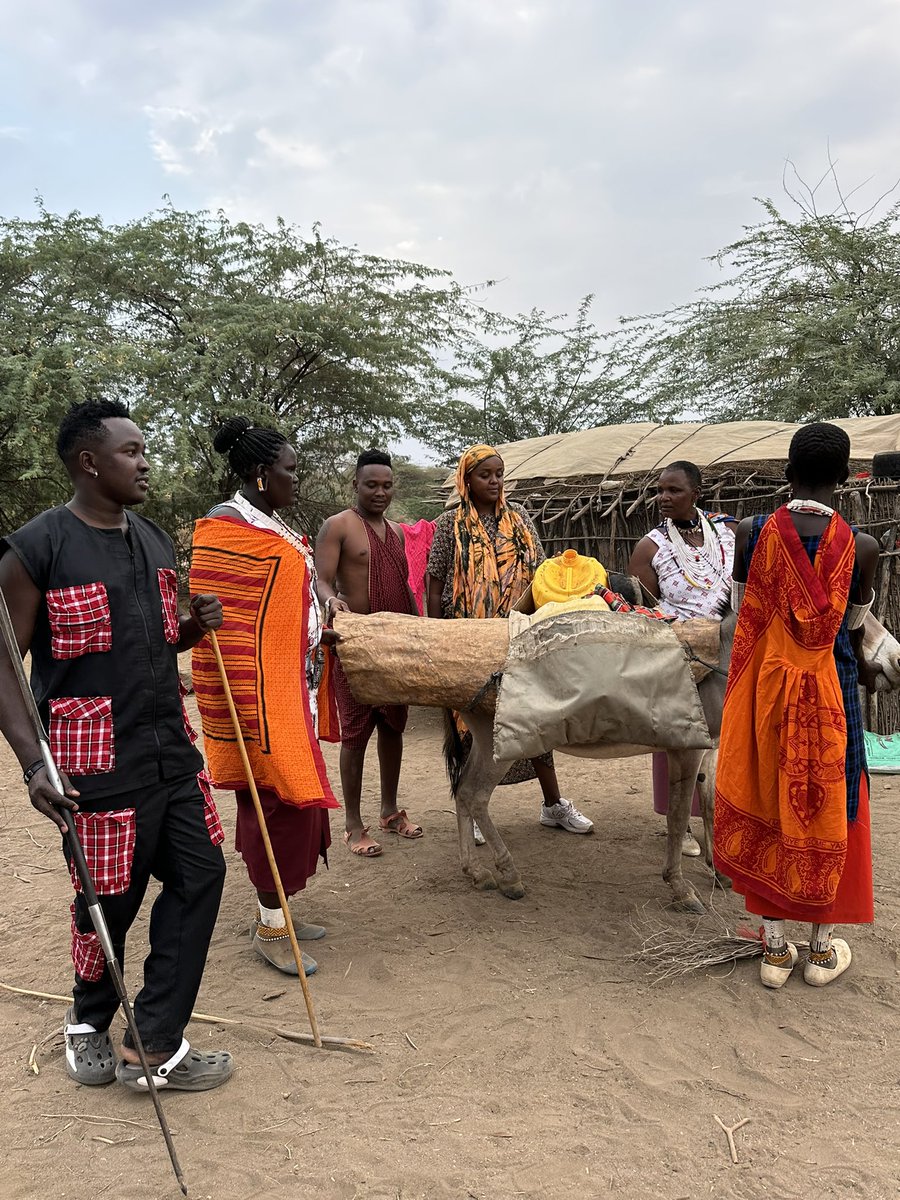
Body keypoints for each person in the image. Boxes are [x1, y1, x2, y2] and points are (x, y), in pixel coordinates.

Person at [0, 399, 233, 1092]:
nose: (145, 462)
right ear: (88, 462)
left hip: (171, 753)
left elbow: (156, 642)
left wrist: (193, 628)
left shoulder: (154, 539)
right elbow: (5, 668)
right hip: (91, 764)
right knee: (109, 902)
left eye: (144, 450)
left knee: (202, 875)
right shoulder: (34, 549)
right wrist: (33, 765)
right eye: (131, 451)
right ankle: (87, 1020)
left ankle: (151, 1041)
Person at [713, 423, 879, 989]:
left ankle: (775, 951)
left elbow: (743, 615)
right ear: (845, 477)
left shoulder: (751, 532)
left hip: (764, 691)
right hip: (833, 693)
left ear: (787, 471)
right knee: (833, 802)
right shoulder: (862, 547)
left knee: (767, 795)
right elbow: (851, 631)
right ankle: (822, 951)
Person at [197, 416, 340, 977]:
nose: (295, 480)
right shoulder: (224, 528)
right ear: (261, 473)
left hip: (291, 688)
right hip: (256, 699)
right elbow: (224, 630)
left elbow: (282, 609)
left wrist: (316, 634)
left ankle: (278, 911)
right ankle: (270, 927)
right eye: (289, 470)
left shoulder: (270, 523)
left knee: (290, 805)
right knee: (271, 806)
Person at [426, 444, 593, 836]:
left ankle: (553, 805)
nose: (495, 481)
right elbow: (434, 582)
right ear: (466, 480)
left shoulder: (519, 518)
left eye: (499, 474)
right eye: (485, 475)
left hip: (517, 634)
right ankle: (473, 809)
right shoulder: (449, 525)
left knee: (534, 718)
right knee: (472, 724)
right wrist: (438, 636)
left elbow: (541, 575)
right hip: (467, 638)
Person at [315, 450, 422, 857]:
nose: (380, 492)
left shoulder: (397, 533)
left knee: (393, 726)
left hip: (393, 641)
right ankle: (353, 824)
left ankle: (390, 811)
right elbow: (321, 580)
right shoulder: (338, 525)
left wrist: (418, 627)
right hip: (355, 641)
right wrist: (331, 601)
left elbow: (403, 584)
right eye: (371, 484)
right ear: (355, 485)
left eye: (387, 485)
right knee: (356, 732)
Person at [628, 461, 738, 857]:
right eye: (660, 490)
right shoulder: (650, 547)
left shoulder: (728, 531)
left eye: (674, 490)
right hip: (682, 652)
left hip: (731, 647)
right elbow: (643, 610)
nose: (664, 497)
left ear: (696, 493)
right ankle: (682, 826)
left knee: (725, 738)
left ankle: (725, 822)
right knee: (679, 737)